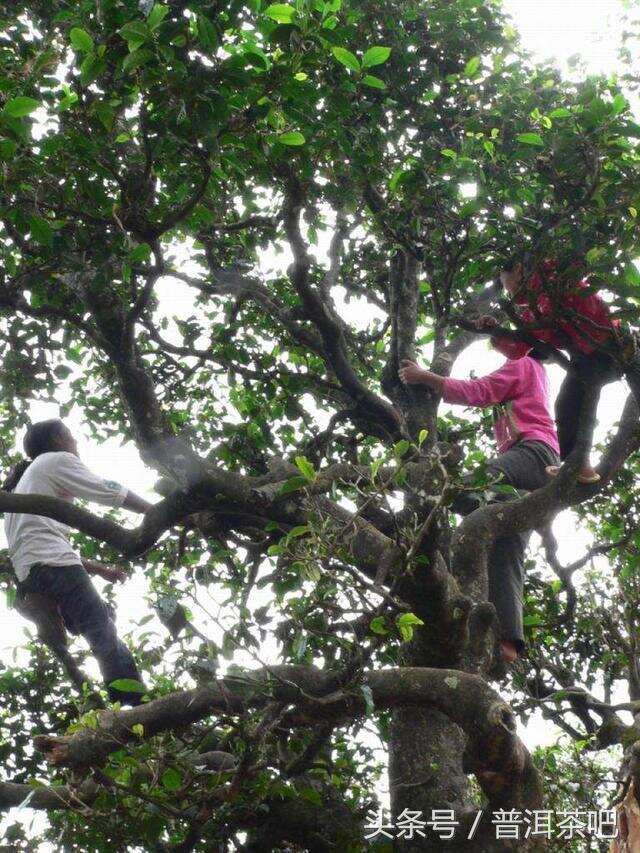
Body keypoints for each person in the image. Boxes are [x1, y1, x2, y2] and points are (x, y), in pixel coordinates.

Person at [399, 339, 560, 664]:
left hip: (531, 452)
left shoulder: (523, 364)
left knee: (464, 490)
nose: (495, 342)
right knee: (506, 545)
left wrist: (423, 377)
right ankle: (509, 642)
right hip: (541, 464)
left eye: (501, 334)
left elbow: (478, 392)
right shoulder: (538, 372)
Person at [3, 419, 153, 705]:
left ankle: (123, 700)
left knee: (100, 621)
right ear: (58, 440)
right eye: (71, 436)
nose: (76, 443)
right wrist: (154, 511)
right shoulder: (55, 460)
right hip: (54, 565)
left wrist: (102, 570)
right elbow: (108, 490)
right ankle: (136, 708)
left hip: (33, 575)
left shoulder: (23, 487)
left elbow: (45, 543)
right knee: (102, 631)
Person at [476, 259, 621, 484]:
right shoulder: (535, 309)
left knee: (568, 405)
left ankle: (576, 463)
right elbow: (519, 349)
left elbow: (575, 261)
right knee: (566, 406)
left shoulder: (553, 278)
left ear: (519, 268)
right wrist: (496, 333)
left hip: (610, 345)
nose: (510, 292)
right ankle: (579, 465)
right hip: (587, 358)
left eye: (508, 284)